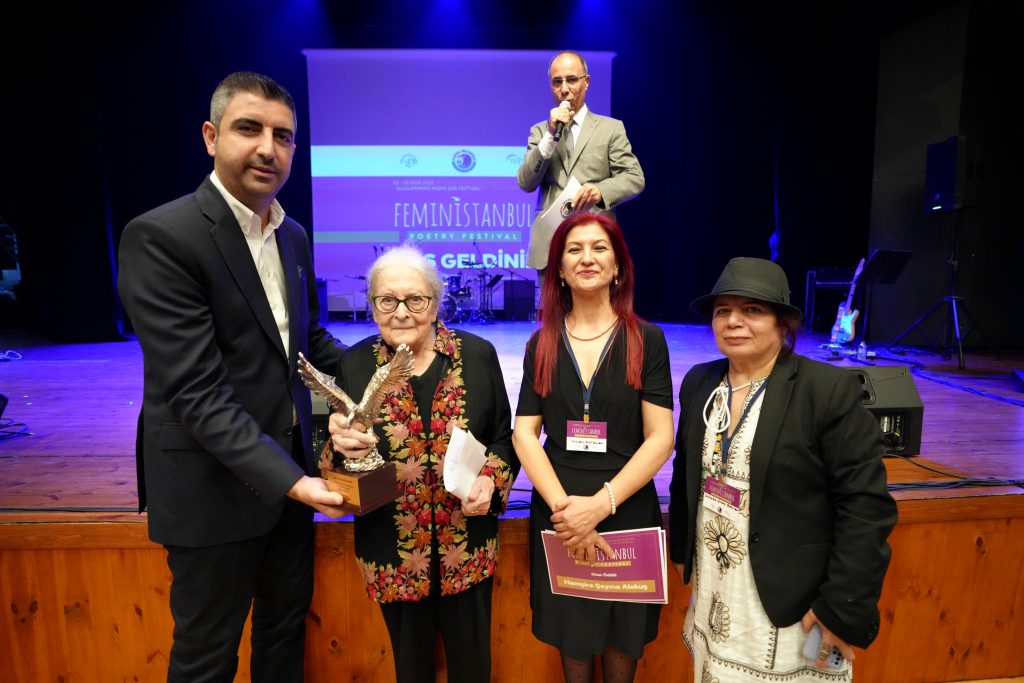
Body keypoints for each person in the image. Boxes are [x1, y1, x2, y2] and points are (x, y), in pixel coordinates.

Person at [117, 71, 348, 682]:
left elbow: (306, 343)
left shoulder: (291, 235)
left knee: (282, 639)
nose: (268, 148)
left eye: (284, 136)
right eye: (249, 129)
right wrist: (295, 484)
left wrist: (396, 364)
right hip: (209, 488)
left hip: (289, 480)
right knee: (206, 657)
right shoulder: (162, 236)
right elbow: (196, 393)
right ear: (210, 136)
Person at [668, 257, 898, 681]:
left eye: (752, 310)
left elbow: (865, 507)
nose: (734, 321)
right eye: (724, 311)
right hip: (718, 588)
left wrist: (842, 606)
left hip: (789, 599)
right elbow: (688, 468)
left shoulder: (826, 391)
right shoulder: (700, 383)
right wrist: (681, 548)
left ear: (782, 324)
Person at [326, 244, 517, 683]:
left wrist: (491, 482)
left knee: (473, 671)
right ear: (373, 305)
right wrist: (343, 450)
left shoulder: (479, 354)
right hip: (392, 552)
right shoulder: (353, 364)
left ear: (435, 304)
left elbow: (503, 440)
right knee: (410, 671)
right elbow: (336, 463)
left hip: (467, 549)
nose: (401, 312)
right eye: (386, 300)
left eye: (416, 300)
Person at [512, 212, 674, 682]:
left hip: (625, 508)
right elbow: (525, 434)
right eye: (574, 249)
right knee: (574, 640)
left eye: (599, 247)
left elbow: (660, 436)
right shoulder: (540, 343)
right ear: (558, 269)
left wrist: (600, 505)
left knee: (623, 642)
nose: (587, 257)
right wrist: (569, 513)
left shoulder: (648, 339)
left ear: (618, 265)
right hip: (560, 515)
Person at [517, 51, 645, 280]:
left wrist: (600, 191)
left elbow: (634, 177)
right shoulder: (540, 131)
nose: (564, 88)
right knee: (553, 316)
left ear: (586, 82)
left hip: (594, 242)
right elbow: (526, 182)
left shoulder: (610, 128)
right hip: (551, 245)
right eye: (557, 82)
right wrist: (550, 137)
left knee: (595, 314)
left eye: (571, 79)